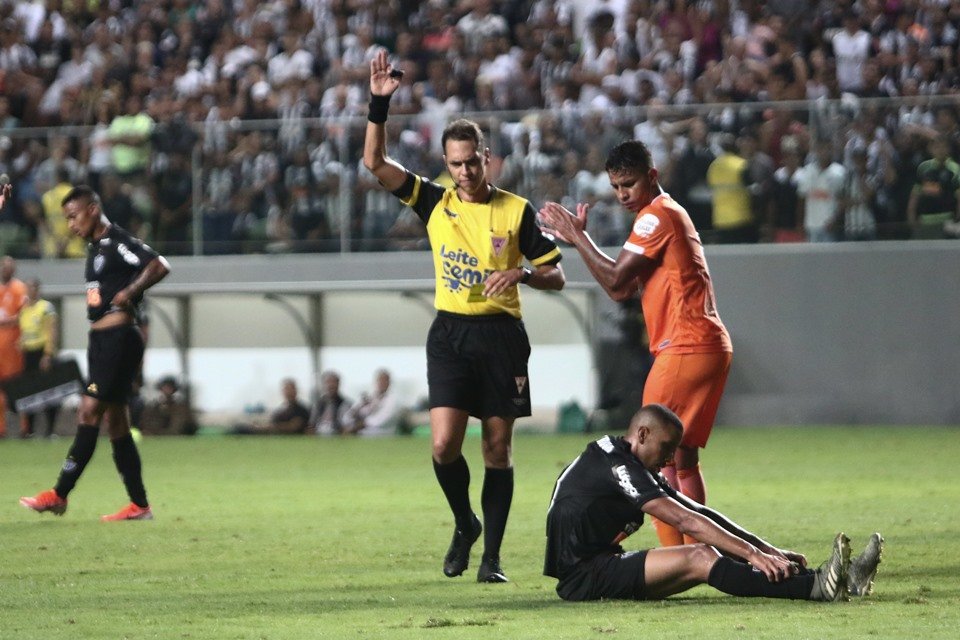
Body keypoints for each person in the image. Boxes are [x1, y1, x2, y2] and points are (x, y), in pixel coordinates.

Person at [363, 49, 565, 583]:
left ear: (487, 157)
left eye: (473, 161)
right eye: (456, 164)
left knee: (497, 447)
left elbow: (557, 275)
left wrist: (521, 274)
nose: (465, 171)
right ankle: (464, 523)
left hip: (501, 335)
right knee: (442, 444)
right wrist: (379, 106)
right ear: (446, 164)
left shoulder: (516, 210)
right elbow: (375, 164)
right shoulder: (434, 201)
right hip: (450, 332)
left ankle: (493, 559)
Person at [539, 140, 732, 549]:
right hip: (707, 345)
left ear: (652, 176)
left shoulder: (654, 217)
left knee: (644, 457)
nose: (622, 194)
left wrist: (577, 238)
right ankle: (698, 553)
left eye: (629, 184)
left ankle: (676, 558)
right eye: (616, 186)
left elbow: (615, 284)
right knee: (682, 458)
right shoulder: (667, 214)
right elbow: (622, 286)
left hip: (684, 346)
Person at [544, 403, 885, 603]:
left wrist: (766, 548)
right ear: (643, 434)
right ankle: (816, 587)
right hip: (582, 576)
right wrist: (753, 555)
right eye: (666, 449)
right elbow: (685, 522)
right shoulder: (619, 467)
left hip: (600, 563)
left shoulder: (629, 462)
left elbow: (698, 511)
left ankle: (836, 580)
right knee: (701, 556)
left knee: (711, 557)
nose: (668, 460)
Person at [19, 184, 170, 521]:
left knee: (88, 411)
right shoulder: (96, 248)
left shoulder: (116, 242)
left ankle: (59, 494)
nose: (70, 224)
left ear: (92, 209)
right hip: (103, 340)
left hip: (118, 336)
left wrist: (130, 291)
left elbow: (158, 265)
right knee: (116, 422)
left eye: (73, 216)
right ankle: (139, 505)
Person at [18, 278, 60, 438]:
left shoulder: (46, 307)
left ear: (37, 289)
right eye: (27, 288)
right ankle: (30, 430)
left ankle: (51, 430)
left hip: (42, 353)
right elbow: (24, 332)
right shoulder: (24, 310)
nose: (29, 291)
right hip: (28, 354)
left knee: (49, 392)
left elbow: (52, 331)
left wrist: (48, 354)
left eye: (32, 288)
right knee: (29, 392)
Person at [0, 255, 28, 438]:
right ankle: (1, 429)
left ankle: (24, 428)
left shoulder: (19, 288)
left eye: (9, 266)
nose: (6, 269)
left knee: (18, 386)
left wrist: (7, 320)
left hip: (14, 346)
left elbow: (24, 314)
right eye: (3, 266)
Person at [230, 378, 311, 435]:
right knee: (238, 427)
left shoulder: (301, 409)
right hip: (268, 431)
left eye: (289, 389)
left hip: (274, 434)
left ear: (295, 390)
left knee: (241, 430)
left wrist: (268, 428)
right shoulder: (282, 408)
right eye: (285, 389)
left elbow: (293, 427)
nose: (287, 392)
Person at [345, 368, 402, 436]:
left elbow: (381, 419)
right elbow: (347, 417)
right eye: (380, 380)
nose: (382, 383)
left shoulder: (393, 400)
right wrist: (360, 406)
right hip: (363, 432)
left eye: (385, 381)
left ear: (389, 383)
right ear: (375, 382)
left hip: (383, 433)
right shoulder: (370, 397)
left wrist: (357, 426)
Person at [308, 370, 353, 435]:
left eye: (333, 382)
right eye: (328, 382)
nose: (331, 385)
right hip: (319, 434)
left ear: (338, 384)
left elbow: (347, 424)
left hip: (337, 433)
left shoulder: (345, 404)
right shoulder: (318, 404)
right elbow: (312, 423)